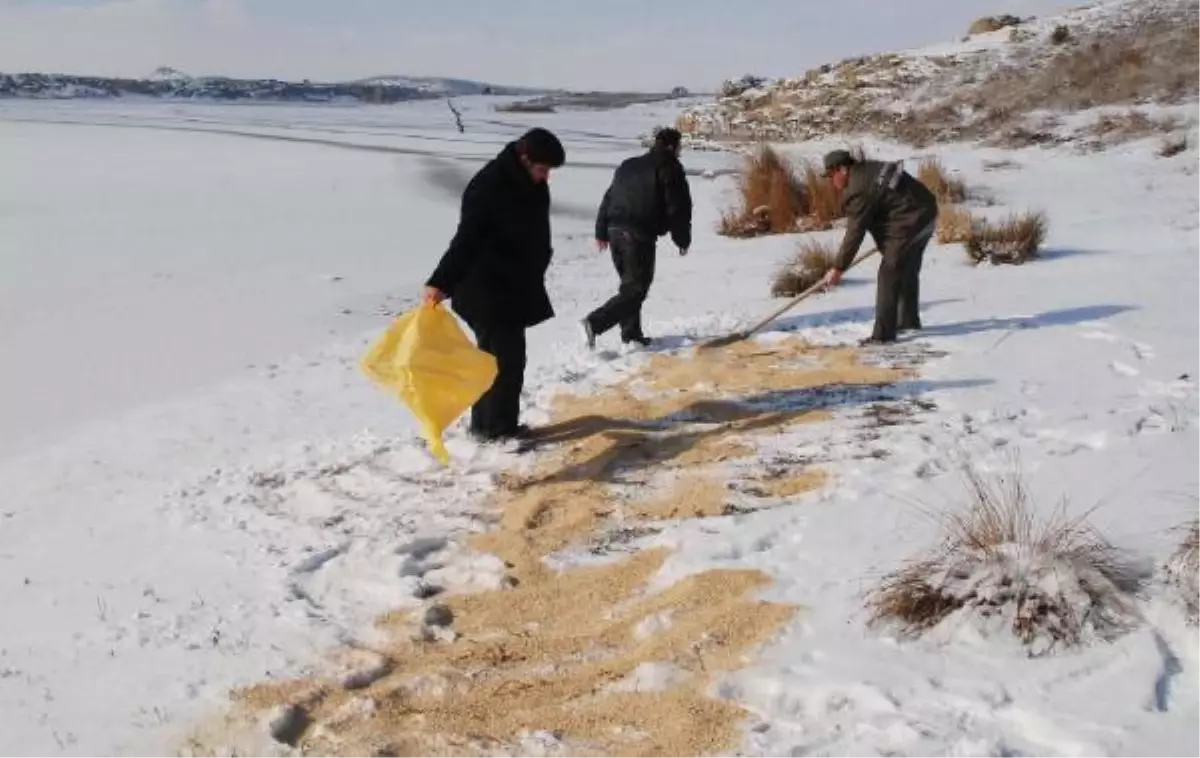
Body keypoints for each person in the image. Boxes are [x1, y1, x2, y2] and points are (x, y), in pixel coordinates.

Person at [422, 128, 566, 443]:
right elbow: (467, 239)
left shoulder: (528, 181)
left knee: (503, 360)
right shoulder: (489, 186)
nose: (545, 178)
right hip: (485, 289)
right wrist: (440, 281)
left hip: (510, 286)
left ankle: (494, 427)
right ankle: (494, 432)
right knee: (502, 362)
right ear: (524, 158)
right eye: (542, 170)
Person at [582, 127, 693, 349]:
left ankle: (631, 336)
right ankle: (595, 323)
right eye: (679, 147)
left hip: (615, 231)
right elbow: (678, 206)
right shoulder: (670, 166)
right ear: (672, 146)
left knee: (629, 287)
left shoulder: (628, 165)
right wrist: (682, 239)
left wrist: (601, 231)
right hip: (637, 234)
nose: (680, 151)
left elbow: (608, 197)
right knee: (636, 289)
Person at [821, 149, 938, 345]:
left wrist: (838, 267)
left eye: (832, 176)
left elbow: (855, 233)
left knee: (889, 272)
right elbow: (884, 208)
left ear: (843, 169)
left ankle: (883, 335)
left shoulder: (857, 189)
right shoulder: (868, 170)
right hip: (926, 213)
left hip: (911, 220)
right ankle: (908, 322)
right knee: (906, 269)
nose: (832, 182)